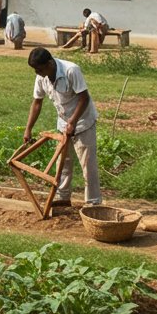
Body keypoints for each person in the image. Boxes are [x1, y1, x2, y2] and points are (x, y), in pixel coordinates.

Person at [22, 47, 102, 207]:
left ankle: (93, 203)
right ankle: (63, 197)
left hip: (83, 122)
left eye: (40, 69)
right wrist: (28, 128)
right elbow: (37, 102)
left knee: (88, 165)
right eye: (35, 70)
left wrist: (73, 122)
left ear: (50, 63)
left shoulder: (71, 70)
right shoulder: (41, 77)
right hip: (64, 124)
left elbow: (84, 98)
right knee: (63, 163)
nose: (37, 73)